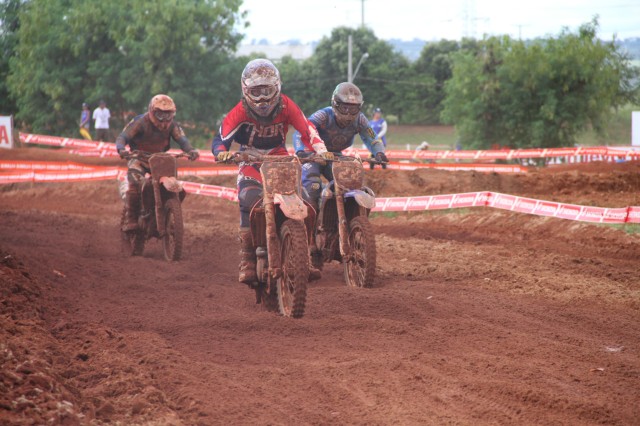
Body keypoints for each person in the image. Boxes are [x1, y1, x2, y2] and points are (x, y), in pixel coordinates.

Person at [211, 58, 332, 285]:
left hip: (278, 157)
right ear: (246, 90)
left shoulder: (286, 105)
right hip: (250, 158)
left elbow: (307, 128)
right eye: (256, 92)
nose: (263, 98)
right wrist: (221, 153)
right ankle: (247, 258)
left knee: (304, 201)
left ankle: (304, 255)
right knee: (248, 200)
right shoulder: (240, 111)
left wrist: (321, 150)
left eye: (267, 90)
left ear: (277, 87)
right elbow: (221, 137)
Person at [292, 82, 388, 268]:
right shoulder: (323, 115)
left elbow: (371, 137)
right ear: (335, 103)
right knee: (312, 190)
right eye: (345, 107)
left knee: (350, 186)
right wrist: (302, 151)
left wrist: (379, 153)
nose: (349, 113)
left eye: (353, 108)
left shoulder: (360, 120)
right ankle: (310, 242)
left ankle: (340, 228)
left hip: (335, 156)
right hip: (313, 155)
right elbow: (302, 130)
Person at [116, 94, 200, 231]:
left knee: (176, 186)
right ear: (152, 111)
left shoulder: (172, 125)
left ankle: (167, 211)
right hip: (139, 158)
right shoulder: (140, 122)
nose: (164, 119)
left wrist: (191, 150)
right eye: (160, 114)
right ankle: (131, 219)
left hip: (160, 159)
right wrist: (121, 149)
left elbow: (182, 140)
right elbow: (123, 137)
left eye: (168, 115)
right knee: (135, 184)